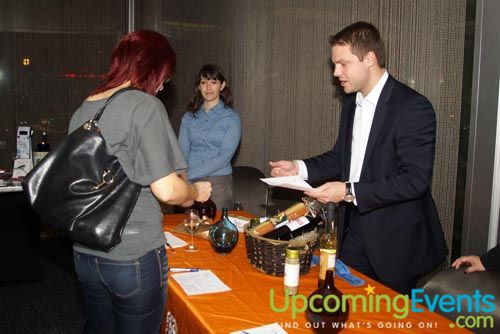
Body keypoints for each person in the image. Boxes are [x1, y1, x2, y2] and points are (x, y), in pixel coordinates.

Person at [269, 22, 448, 294]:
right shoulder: (352, 103)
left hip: (395, 239)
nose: (336, 72)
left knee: (386, 318)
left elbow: (415, 180)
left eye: (343, 63)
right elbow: (342, 158)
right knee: (344, 300)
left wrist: (349, 190)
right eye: (334, 64)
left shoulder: (413, 107)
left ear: (370, 59)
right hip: (355, 229)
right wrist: (299, 167)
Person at [68, 30, 211, 334]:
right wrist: (197, 191)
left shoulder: (83, 109)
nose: (162, 86)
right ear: (153, 68)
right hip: (132, 255)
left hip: (85, 253)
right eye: (165, 77)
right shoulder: (144, 106)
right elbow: (168, 190)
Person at [178, 64, 241, 210]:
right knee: (186, 228)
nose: (208, 87)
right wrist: (183, 179)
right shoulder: (188, 117)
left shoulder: (232, 117)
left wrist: (189, 175)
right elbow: (181, 152)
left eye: (213, 82)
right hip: (189, 182)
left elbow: (224, 157)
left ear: (222, 85)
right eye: (203, 82)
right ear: (198, 86)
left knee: (215, 229)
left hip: (218, 182)